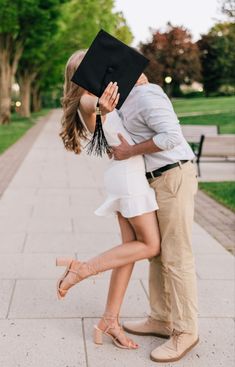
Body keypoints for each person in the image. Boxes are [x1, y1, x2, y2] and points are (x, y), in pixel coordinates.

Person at [57, 50, 161, 350]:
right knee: (150, 245)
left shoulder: (98, 98)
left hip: (123, 176)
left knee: (128, 253)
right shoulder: (89, 100)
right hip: (128, 179)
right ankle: (82, 269)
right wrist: (103, 106)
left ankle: (110, 319)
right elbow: (97, 106)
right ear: (83, 74)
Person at [110, 78, 199, 362]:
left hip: (173, 177)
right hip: (154, 181)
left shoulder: (147, 96)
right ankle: (161, 319)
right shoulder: (124, 101)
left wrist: (129, 152)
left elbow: (172, 136)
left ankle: (186, 331)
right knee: (157, 255)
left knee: (177, 257)